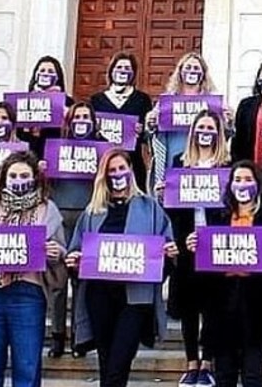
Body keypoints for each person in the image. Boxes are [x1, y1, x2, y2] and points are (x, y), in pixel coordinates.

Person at [65, 149, 178, 387]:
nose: (117, 174)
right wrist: (74, 261)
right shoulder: (92, 212)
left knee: (119, 363)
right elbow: (76, 252)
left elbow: (164, 255)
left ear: (130, 170)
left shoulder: (150, 208)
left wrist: (169, 256)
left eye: (121, 168)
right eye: (111, 170)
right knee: (108, 365)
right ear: (104, 176)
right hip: (100, 296)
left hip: (135, 299)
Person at [0, 151, 67, 387]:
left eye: (24, 175)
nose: (18, 179)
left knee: (27, 366)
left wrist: (56, 253)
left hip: (28, 293)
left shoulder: (48, 210)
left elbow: (61, 251)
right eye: (13, 175)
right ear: (4, 178)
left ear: (35, 178)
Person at [188, 161, 262, 387]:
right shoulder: (218, 218)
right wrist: (196, 249)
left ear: (258, 185)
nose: (242, 185)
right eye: (238, 180)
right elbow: (205, 271)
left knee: (253, 377)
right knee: (225, 376)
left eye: (248, 179)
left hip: (257, 307)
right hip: (222, 308)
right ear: (230, 185)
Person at [166, 109, 229, 386]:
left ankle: (208, 362)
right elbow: (174, 211)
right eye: (201, 127)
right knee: (189, 308)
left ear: (219, 133)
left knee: (214, 307)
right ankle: (191, 362)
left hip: (216, 246)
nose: (206, 132)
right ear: (193, 132)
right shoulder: (179, 162)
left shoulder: (228, 165)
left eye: (211, 127)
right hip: (187, 245)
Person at [48, 100, 109, 358]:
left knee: (82, 281)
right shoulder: (56, 148)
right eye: (77, 117)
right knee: (58, 282)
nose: (82, 121)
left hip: (89, 217)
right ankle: (57, 336)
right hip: (60, 216)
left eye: (86, 116)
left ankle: (80, 337)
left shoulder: (102, 150)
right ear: (70, 122)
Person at [149, 52, 232, 192]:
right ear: (180, 71)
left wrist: (228, 120)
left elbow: (226, 131)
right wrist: (151, 122)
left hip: (205, 156)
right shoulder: (168, 100)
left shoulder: (213, 100)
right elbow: (154, 130)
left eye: (196, 68)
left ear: (203, 74)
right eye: (188, 67)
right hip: (175, 151)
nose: (191, 71)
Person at [90, 51, 155, 190]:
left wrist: (143, 130)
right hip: (104, 162)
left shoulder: (142, 99)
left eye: (127, 68)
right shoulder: (97, 100)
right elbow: (89, 133)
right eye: (119, 67)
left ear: (133, 73)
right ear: (111, 71)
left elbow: (149, 135)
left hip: (133, 163)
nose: (122, 71)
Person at [17, 55, 73, 159]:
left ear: (58, 77)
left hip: (55, 156)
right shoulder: (24, 101)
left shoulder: (67, 102)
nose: (46, 74)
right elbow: (18, 133)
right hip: (29, 155)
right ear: (36, 74)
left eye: (51, 71)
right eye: (42, 70)